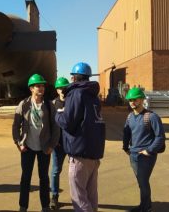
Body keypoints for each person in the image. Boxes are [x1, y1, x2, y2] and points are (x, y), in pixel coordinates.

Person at [55, 62, 105, 212]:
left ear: (74, 77)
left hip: (79, 154)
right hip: (93, 154)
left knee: (79, 198)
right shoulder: (93, 96)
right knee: (91, 196)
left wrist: (58, 114)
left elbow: (68, 122)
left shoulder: (76, 93)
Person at [12, 74, 60, 212]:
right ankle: (23, 206)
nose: (41, 88)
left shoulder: (49, 105)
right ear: (31, 88)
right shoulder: (24, 104)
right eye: (38, 86)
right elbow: (16, 125)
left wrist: (52, 145)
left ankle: (45, 206)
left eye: (43, 85)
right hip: (27, 147)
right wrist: (19, 143)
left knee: (44, 178)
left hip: (44, 148)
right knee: (25, 178)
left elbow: (56, 127)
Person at [123, 88, 166, 212]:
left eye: (134, 99)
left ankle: (145, 207)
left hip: (146, 156)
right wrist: (125, 147)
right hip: (133, 154)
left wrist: (149, 150)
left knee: (143, 181)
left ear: (141, 100)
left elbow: (160, 137)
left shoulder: (152, 117)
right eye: (130, 100)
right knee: (141, 181)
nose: (132, 102)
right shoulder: (130, 116)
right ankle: (145, 204)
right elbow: (126, 133)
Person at [50, 77, 69, 210]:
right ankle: (54, 196)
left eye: (64, 87)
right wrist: (52, 141)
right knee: (56, 171)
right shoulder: (52, 104)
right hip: (58, 145)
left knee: (76, 172)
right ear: (56, 90)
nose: (62, 90)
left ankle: (79, 197)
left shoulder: (73, 102)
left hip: (73, 144)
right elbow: (50, 124)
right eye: (60, 88)